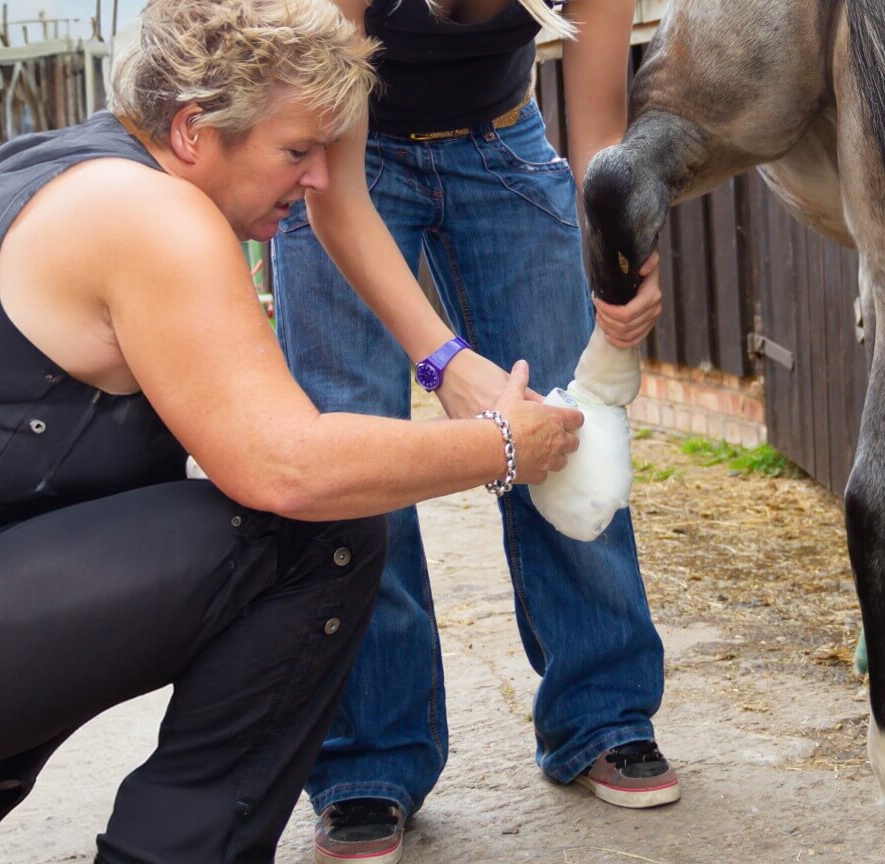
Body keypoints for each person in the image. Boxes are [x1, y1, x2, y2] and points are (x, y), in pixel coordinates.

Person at [0, 1, 581, 862]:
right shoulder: (155, 217)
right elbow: (288, 468)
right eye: (296, 152)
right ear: (194, 130)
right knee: (318, 533)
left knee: (155, 480)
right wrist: (506, 445)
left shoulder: (68, 164)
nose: (314, 182)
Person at [269, 0, 672, 860]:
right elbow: (335, 195)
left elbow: (599, 129)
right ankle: (368, 758)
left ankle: (601, 709)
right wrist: (443, 361)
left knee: (567, 425)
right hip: (348, 160)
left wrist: (618, 246)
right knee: (351, 452)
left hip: (504, 144)